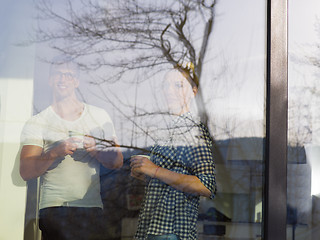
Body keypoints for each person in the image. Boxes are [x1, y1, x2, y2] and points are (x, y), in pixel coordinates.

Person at [20, 57, 123, 240]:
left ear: (76, 81)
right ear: (50, 79)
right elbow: (26, 171)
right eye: (58, 74)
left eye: (69, 75)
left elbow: (117, 161)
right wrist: (54, 152)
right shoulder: (38, 121)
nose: (63, 79)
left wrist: (96, 150)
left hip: (91, 209)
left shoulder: (99, 116)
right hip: (53, 209)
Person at [130, 68, 216, 240]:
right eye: (166, 86)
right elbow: (167, 177)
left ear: (193, 92)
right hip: (151, 228)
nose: (169, 91)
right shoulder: (164, 130)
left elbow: (207, 186)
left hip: (173, 232)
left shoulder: (194, 130)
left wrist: (154, 170)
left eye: (178, 85)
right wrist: (143, 172)